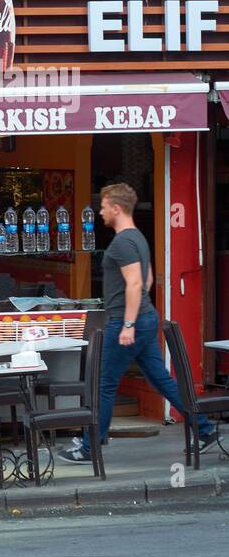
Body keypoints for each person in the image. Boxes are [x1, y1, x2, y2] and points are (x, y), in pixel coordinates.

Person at [59, 183, 216, 464]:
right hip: (143, 318)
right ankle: (204, 428)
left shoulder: (123, 243)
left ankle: (88, 448)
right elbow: (147, 281)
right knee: (161, 379)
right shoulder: (138, 239)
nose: (101, 211)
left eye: (104, 206)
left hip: (126, 321)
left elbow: (135, 283)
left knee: (103, 384)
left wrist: (128, 324)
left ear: (117, 208)